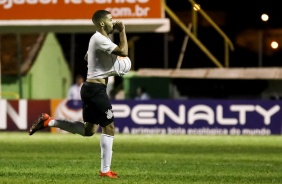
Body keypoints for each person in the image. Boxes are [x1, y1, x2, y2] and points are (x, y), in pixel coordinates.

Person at [29, 10, 129, 179]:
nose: (115, 22)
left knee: (89, 130)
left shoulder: (97, 40)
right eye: (111, 20)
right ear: (102, 23)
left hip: (92, 88)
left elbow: (87, 57)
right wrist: (123, 31)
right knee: (109, 126)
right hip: (96, 90)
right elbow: (124, 51)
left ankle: (49, 121)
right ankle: (105, 170)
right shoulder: (98, 38)